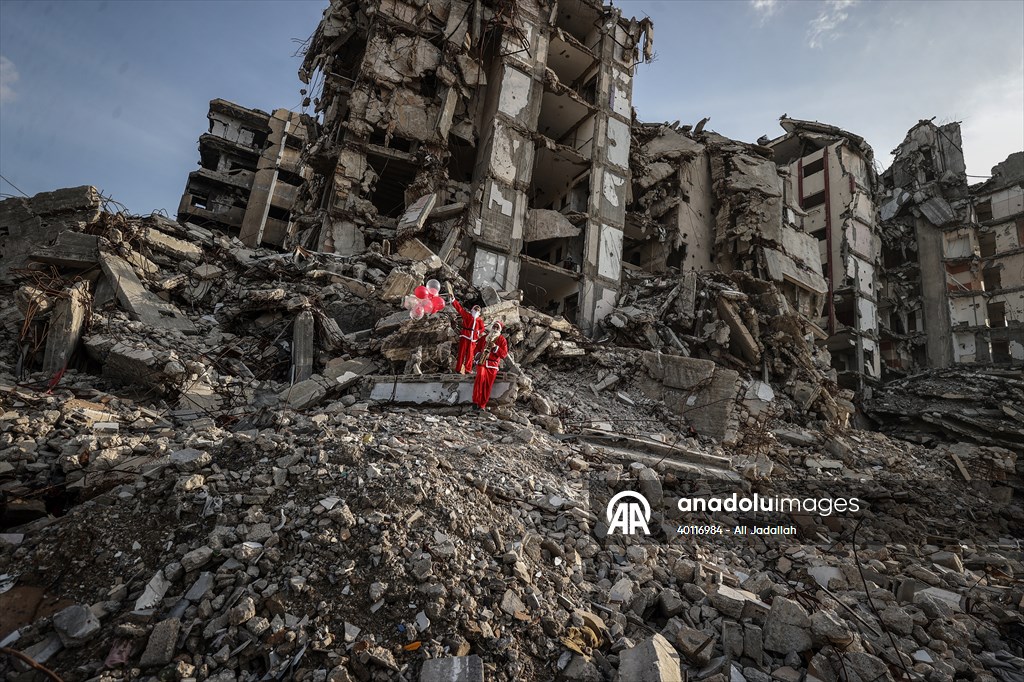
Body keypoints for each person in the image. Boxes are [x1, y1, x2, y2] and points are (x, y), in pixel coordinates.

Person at [473, 320, 509, 410]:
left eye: (497, 327)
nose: (495, 329)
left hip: (492, 365)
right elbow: (476, 348)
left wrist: (495, 347)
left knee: (488, 385)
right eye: (494, 327)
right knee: (480, 378)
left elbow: (504, 354)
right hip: (482, 362)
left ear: (500, 330)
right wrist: (478, 354)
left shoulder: (502, 340)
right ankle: (475, 402)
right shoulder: (484, 338)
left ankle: (482, 405)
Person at [451, 298, 485, 374]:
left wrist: (478, 332)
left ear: (479, 312)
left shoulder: (479, 320)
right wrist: (453, 300)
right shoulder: (467, 316)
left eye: (478, 310)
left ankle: (468, 369)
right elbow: (460, 309)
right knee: (461, 353)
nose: (476, 310)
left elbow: (482, 328)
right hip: (465, 336)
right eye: (475, 309)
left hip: (473, 339)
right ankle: (459, 368)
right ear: (472, 309)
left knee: (470, 354)